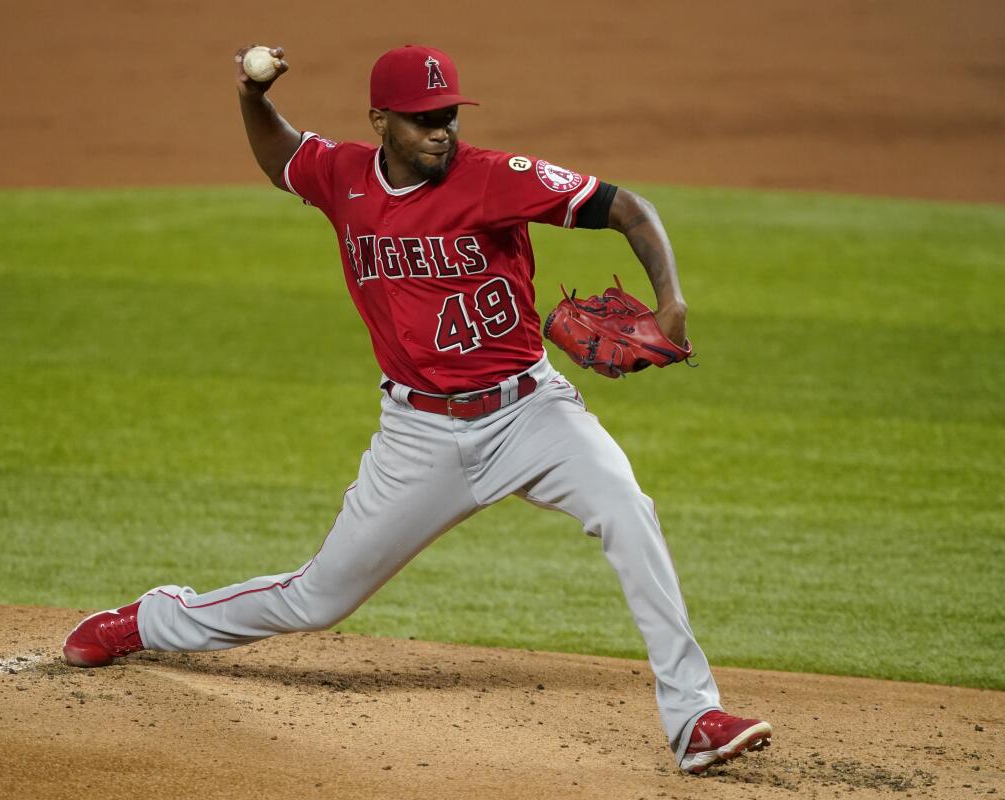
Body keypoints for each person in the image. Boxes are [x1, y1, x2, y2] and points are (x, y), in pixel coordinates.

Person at [62, 43, 772, 774]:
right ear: (380, 121)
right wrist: (250, 96)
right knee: (317, 601)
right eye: (423, 118)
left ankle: (695, 718)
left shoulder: (496, 179)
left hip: (531, 415)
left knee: (626, 506)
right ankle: (152, 619)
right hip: (419, 436)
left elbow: (629, 208)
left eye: (448, 116)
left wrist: (672, 300)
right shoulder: (342, 177)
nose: (442, 130)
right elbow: (282, 158)